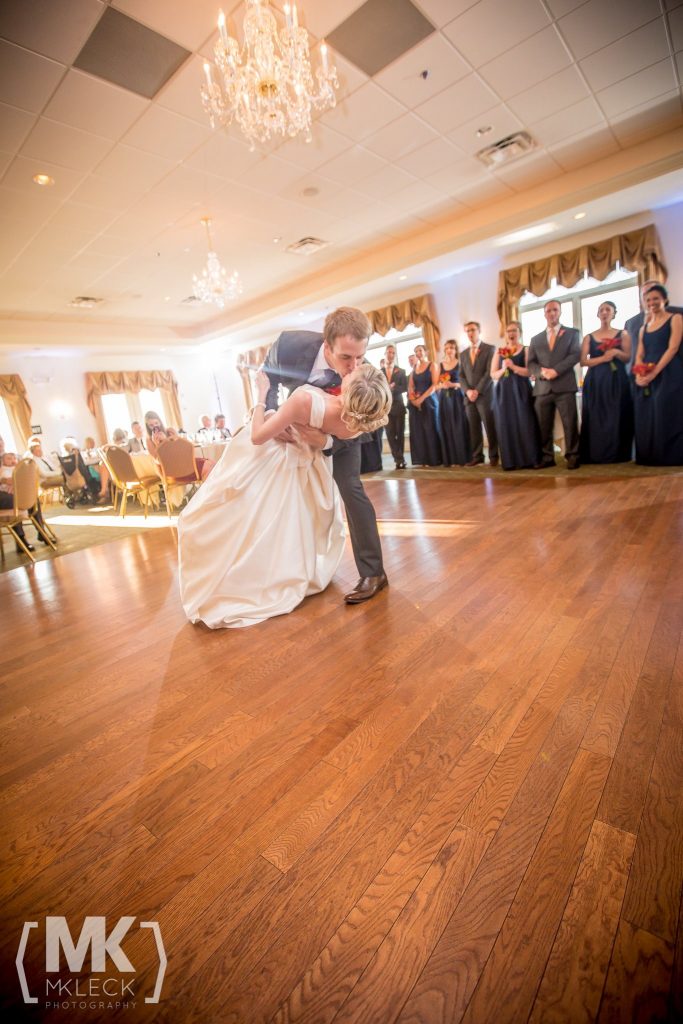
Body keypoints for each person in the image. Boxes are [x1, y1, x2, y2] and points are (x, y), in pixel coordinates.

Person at [178, 363, 391, 627]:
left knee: (252, 517)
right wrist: (320, 439)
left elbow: (257, 436)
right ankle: (283, 571)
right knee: (288, 525)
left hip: (278, 457)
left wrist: (260, 395)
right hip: (312, 466)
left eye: (352, 374)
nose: (351, 369)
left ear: (349, 391)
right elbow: (332, 436)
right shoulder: (358, 420)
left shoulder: (304, 400)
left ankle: (250, 578)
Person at [260, 307, 389, 604]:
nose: (354, 366)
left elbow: (366, 424)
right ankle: (294, 569)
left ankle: (374, 573)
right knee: (290, 494)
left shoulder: (363, 370)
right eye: (346, 358)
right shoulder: (290, 346)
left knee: (351, 488)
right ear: (327, 345)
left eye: (360, 356)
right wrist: (269, 412)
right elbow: (269, 375)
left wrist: (328, 440)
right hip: (297, 428)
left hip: (344, 434)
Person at [633, 284, 683, 465]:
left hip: (669, 370)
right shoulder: (643, 328)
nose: (651, 302)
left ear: (664, 300)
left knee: (667, 412)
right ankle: (650, 457)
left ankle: (671, 457)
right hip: (647, 372)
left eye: (655, 299)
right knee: (647, 413)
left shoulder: (676, 318)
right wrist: (640, 373)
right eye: (648, 300)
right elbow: (639, 354)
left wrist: (654, 373)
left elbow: (673, 348)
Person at [528, 300, 581, 469]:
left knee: (570, 423)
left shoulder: (572, 333)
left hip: (565, 386)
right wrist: (542, 372)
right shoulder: (535, 339)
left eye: (555, 310)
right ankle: (547, 457)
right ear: (544, 314)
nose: (551, 313)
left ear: (560, 312)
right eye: (548, 311)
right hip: (542, 389)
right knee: (543, 426)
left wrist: (556, 371)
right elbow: (531, 364)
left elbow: (575, 355)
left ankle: (572, 455)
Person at [579, 301, 633, 464]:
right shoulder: (589, 336)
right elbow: (582, 361)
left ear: (613, 313)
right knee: (595, 415)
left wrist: (616, 351)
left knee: (617, 413)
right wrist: (603, 358)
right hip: (595, 380)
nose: (604, 312)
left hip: (617, 379)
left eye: (607, 310)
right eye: (601, 310)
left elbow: (627, 357)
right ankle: (595, 453)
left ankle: (618, 453)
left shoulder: (623, 334)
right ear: (597, 314)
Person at [490, 322, 541, 470]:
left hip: (521, 389)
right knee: (506, 424)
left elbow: (529, 372)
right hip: (503, 392)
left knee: (526, 422)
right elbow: (493, 374)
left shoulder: (525, 349)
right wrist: (503, 369)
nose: (511, 333)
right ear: (505, 334)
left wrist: (513, 367)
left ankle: (531, 459)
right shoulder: (499, 352)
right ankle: (511, 461)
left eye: (514, 330)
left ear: (519, 332)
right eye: (508, 331)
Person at [459, 321, 498, 467]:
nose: (470, 333)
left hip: (485, 395)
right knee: (474, 428)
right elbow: (461, 375)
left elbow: (489, 372)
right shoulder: (463, 354)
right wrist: (468, 391)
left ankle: (494, 455)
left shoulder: (489, 349)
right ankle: (477, 456)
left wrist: (477, 390)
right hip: (469, 397)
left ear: (479, 330)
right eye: (467, 331)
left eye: (473, 330)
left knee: (490, 426)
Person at [625, 280, 683, 369]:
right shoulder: (630, 323)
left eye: (654, 296)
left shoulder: (678, 314)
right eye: (646, 295)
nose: (651, 300)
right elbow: (633, 351)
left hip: (674, 368)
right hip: (640, 373)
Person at [0, 452, 52, 551]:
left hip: (10, 489)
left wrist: (16, 483)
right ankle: (21, 539)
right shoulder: (3, 467)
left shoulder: (10, 460)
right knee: (14, 500)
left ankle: (41, 532)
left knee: (31, 497)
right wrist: (4, 481)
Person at [144, 411, 214, 481]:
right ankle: (206, 490)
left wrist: (173, 437)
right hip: (171, 470)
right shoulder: (149, 440)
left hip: (183, 461)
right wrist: (158, 444)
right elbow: (159, 461)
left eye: (156, 423)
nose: (155, 427)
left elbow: (182, 450)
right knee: (208, 467)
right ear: (147, 426)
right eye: (151, 425)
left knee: (212, 463)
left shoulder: (169, 431)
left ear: (160, 422)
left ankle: (207, 490)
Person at [437, 338, 470, 467]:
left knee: (459, 426)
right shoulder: (440, 365)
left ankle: (462, 458)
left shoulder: (460, 363)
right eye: (447, 348)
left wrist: (453, 384)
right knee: (446, 426)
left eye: (451, 348)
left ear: (455, 350)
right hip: (444, 398)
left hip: (457, 397)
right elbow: (436, 385)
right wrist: (443, 385)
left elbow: (465, 382)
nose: (449, 350)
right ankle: (449, 458)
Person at [408, 343, 442, 467]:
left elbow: (434, 385)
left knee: (432, 429)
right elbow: (411, 386)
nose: (418, 353)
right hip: (417, 404)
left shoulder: (433, 365)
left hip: (430, 401)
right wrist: (413, 399)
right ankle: (424, 459)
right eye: (416, 351)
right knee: (421, 431)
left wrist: (421, 399)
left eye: (420, 350)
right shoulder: (414, 370)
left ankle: (436, 459)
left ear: (425, 352)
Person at [382, 344, 408, 470]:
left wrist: (393, 388)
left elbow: (404, 387)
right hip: (385, 409)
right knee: (390, 435)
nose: (390, 355)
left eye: (393, 353)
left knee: (400, 434)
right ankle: (397, 459)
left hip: (398, 406)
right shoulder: (379, 372)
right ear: (385, 354)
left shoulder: (401, 371)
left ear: (395, 355)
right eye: (389, 352)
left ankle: (401, 458)